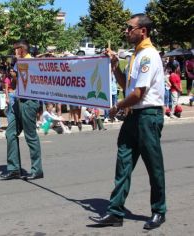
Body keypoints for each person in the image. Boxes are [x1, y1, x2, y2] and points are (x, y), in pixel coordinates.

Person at [89, 14, 166, 230]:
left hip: (148, 116)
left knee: (154, 166)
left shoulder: (148, 56)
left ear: (143, 31)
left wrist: (117, 107)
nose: (126, 31)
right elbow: (128, 87)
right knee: (123, 164)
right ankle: (115, 212)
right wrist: (115, 66)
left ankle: (159, 210)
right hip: (133, 117)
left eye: (129, 28)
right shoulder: (136, 55)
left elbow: (139, 94)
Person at [0, 39, 43, 181]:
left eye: (15, 49)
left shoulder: (33, 62)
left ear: (21, 50)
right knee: (10, 133)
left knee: (30, 136)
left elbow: (33, 81)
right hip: (18, 100)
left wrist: (18, 67)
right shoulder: (19, 62)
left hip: (29, 102)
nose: (14, 52)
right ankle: (14, 169)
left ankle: (37, 170)